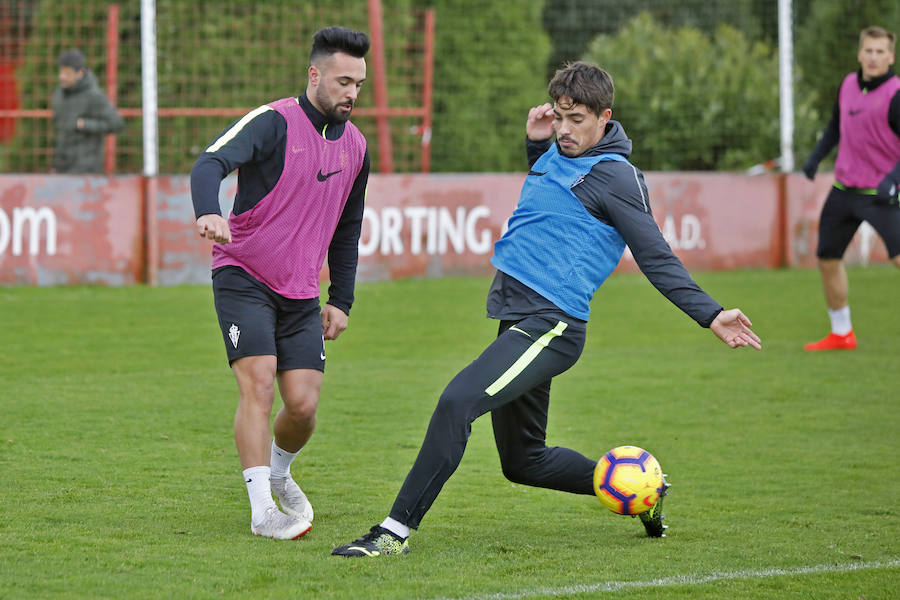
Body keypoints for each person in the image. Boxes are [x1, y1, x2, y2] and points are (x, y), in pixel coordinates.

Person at [332, 61, 761, 558]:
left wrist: (711, 313)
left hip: (551, 324)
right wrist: (536, 143)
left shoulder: (617, 178)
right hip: (519, 318)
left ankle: (393, 533)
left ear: (605, 117)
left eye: (575, 119)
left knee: (456, 402)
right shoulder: (556, 152)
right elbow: (547, 199)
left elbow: (655, 255)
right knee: (523, 461)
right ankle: (643, 489)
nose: (564, 130)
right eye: (559, 117)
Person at [190, 26, 371, 540]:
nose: (351, 93)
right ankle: (262, 511)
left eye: (358, 84)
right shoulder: (273, 122)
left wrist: (342, 300)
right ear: (314, 75)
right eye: (342, 81)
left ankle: (280, 471)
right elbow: (210, 162)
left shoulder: (356, 148)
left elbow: (348, 227)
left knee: (304, 406)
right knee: (259, 382)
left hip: (301, 292)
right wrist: (207, 212)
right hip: (242, 274)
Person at [801, 26, 900, 351]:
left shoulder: (896, 94)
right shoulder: (847, 85)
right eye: (868, 51)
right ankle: (842, 332)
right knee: (827, 257)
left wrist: (892, 179)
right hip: (844, 189)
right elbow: (834, 126)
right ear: (860, 53)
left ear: (891, 56)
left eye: (880, 52)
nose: (873, 57)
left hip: (882, 194)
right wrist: (816, 158)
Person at [51, 49, 123, 173]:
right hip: (63, 165)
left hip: (86, 167)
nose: (62, 77)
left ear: (80, 73)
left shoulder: (94, 95)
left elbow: (116, 124)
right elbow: (61, 133)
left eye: (67, 73)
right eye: (61, 72)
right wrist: (56, 166)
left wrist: (85, 124)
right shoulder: (59, 94)